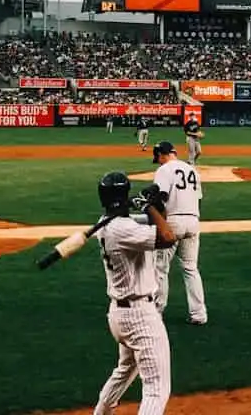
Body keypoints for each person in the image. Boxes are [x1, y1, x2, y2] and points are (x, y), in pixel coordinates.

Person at [90, 170, 177, 415]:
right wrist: (148, 207)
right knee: (156, 388)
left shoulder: (108, 224)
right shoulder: (123, 230)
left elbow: (156, 224)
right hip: (140, 317)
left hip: (120, 315)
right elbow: (168, 236)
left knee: (124, 371)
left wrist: (155, 206)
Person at [151, 141, 207, 326]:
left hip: (173, 221)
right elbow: (198, 200)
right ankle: (199, 314)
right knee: (191, 268)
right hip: (193, 220)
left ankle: (157, 313)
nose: (158, 161)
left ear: (162, 154)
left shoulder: (164, 170)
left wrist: (160, 223)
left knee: (160, 268)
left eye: (158, 157)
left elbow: (161, 199)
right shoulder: (192, 170)